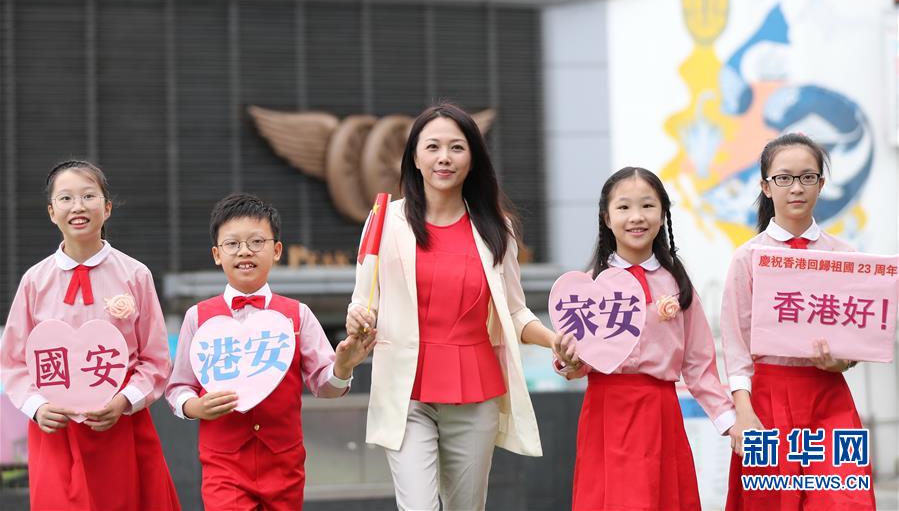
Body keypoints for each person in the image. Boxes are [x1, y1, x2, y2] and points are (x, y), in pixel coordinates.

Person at [345, 103, 576, 511]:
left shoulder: (496, 228)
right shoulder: (385, 221)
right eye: (432, 147)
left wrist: (552, 339)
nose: (444, 158)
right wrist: (357, 319)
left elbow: (514, 311)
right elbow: (363, 303)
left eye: (457, 147)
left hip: (475, 394)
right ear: (415, 157)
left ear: (473, 159)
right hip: (406, 394)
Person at [165, 192, 375, 510]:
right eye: (232, 243)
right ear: (217, 254)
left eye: (256, 242)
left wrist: (342, 368)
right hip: (224, 464)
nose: (244, 251)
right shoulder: (198, 317)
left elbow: (325, 387)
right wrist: (195, 407)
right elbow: (178, 387)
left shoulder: (298, 315)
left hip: (284, 464)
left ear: (276, 250)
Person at [0, 159, 180, 510]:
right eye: (66, 198)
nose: (78, 206)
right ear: (52, 212)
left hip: (120, 424)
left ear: (107, 207)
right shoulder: (35, 281)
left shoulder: (135, 275)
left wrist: (124, 401)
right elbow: (14, 362)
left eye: (88, 196)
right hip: (57, 428)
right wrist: (38, 407)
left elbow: (155, 359)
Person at [556, 166, 739, 511]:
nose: (636, 217)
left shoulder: (677, 284)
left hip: (660, 413)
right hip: (605, 414)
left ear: (663, 213)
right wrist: (568, 360)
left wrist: (729, 421)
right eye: (624, 207)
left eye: (648, 206)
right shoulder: (588, 287)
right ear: (606, 218)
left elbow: (699, 365)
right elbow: (577, 360)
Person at [722, 133, 876, 510]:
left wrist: (842, 362)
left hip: (828, 396)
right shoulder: (747, 258)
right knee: (770, 502)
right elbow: (736, 347)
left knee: (846, 499)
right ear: (766, 186)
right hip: (766, 401)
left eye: (807, 177)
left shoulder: (845, 256)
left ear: (821, 185)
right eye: (784, 178)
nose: (796, 187)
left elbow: (855, 337)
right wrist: (744, 413)